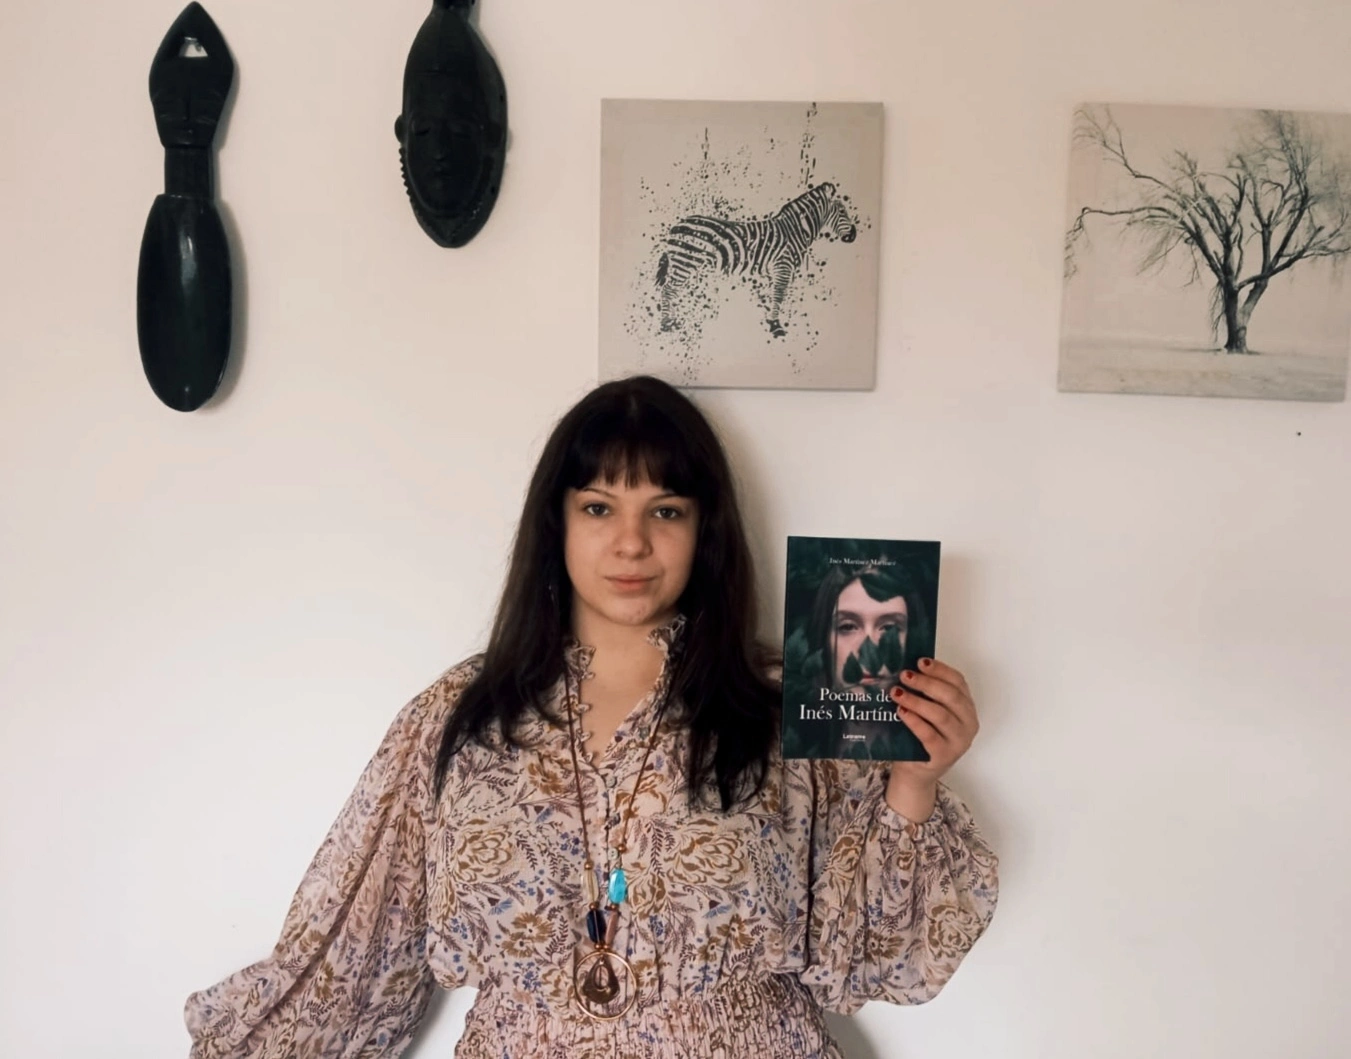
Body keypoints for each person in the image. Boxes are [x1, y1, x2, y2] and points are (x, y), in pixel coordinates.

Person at [184, 376, 998, 1059]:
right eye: (599, 507)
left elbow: (874, 960)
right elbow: (353, 950)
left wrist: (914, 781)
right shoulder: (461, 715)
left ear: (704, 529)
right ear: (558, 522)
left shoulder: (787, 705)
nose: (631, 543)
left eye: (666, 510)